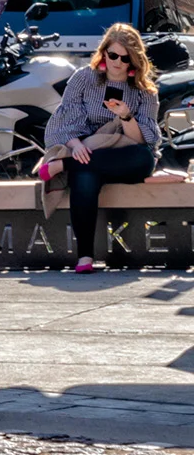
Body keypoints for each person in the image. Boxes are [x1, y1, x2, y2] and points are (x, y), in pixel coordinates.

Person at [41, 24, 160, 273]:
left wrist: (126, 116)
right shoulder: (84, 78)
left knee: (142, 159)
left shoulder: (144, 91)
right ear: (104, 52)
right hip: (87, 150)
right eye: (113, 55)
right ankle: (84, 256)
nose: (117, 62)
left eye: (125, 58)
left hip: (125, 155)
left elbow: (145, 142)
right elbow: (64, 123)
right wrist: (74, 146)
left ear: (134, 60)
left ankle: (62, 166)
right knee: (85, 175)